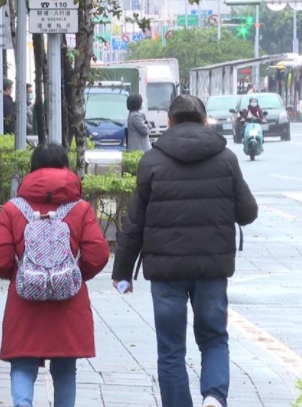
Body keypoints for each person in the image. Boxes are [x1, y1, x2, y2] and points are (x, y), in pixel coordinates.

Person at [112, 95, 258, 407]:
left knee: (170, 350)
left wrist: (122, 272)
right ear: (205, 121)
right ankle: (214, 397)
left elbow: (134, 222)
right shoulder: (226, 159)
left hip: (166, 273)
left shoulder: (152, 161)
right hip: (212, 270)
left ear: (170, 121)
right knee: (214, 338)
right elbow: (248, 213)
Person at [0, 143, 110, 407]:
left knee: (22, 361)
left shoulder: (13, 208)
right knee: (65, 368)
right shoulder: (80, 208)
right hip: (68, 302)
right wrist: (72, 274)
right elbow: (98, 253)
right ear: (65, 168)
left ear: (32, 170)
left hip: (25, 300)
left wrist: (20, 274)